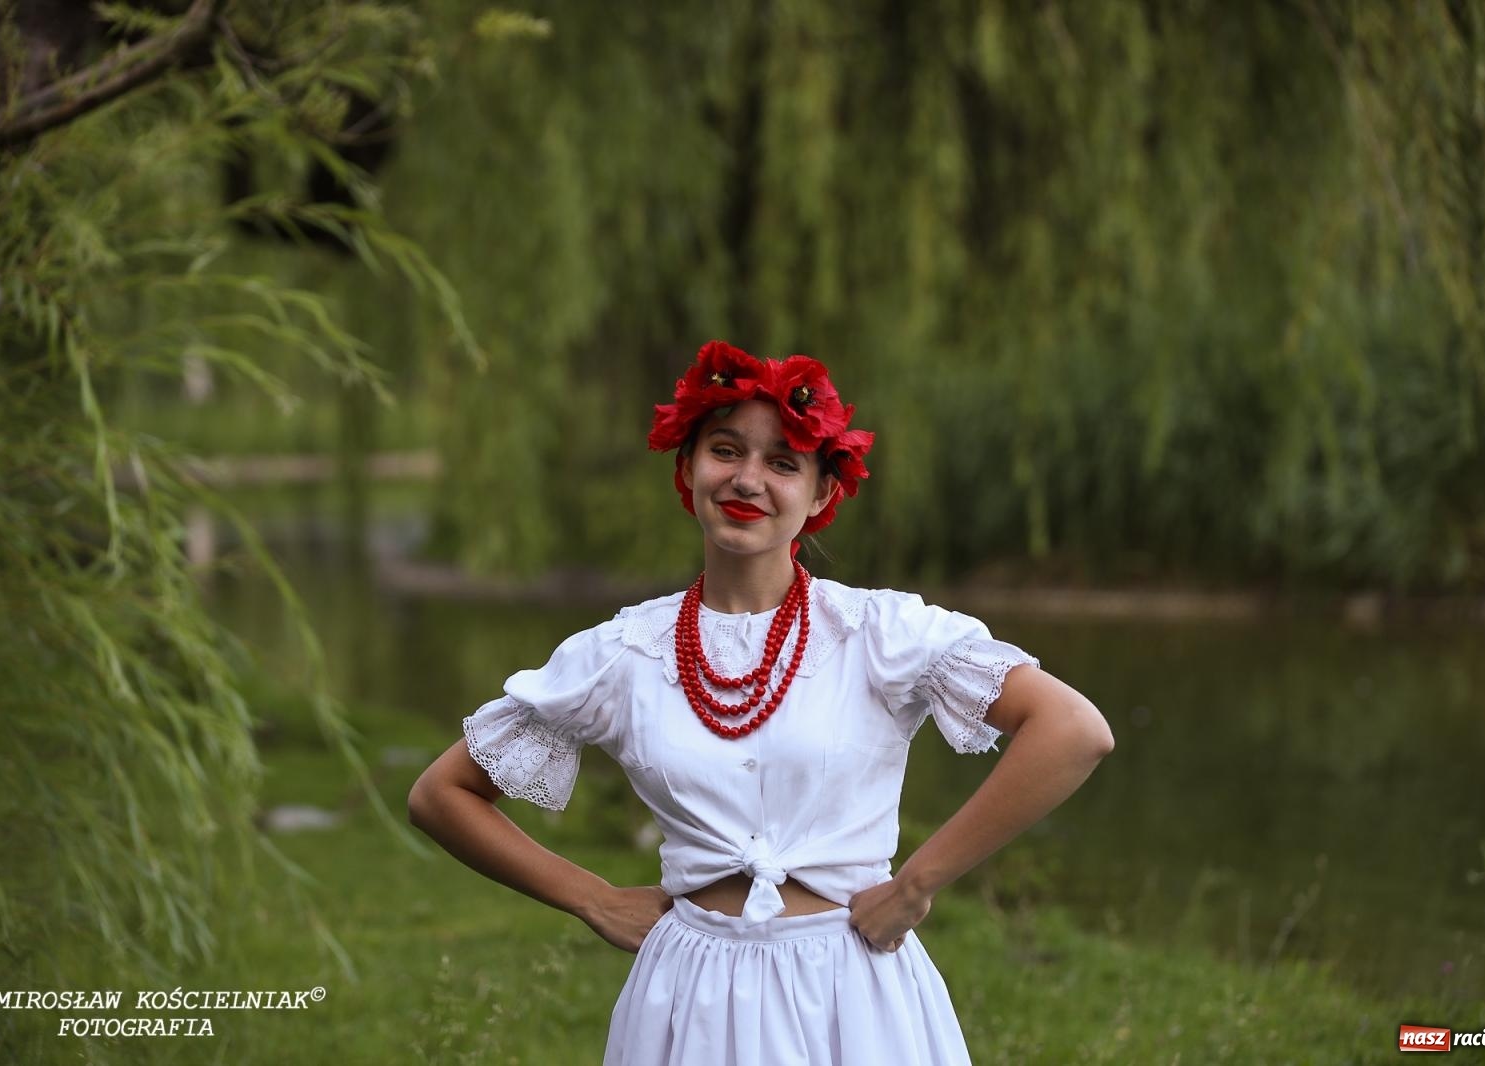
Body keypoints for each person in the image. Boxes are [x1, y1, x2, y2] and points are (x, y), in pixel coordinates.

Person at [408, 340, 1114, 1064]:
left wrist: (916, 884)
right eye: (725, 450)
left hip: (853, 990)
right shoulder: (623, 653)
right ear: (687, 470)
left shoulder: (880, 633)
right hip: (690, 996)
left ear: (821, 495)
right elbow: (442, 794)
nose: (747, 480)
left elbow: (1071, 730)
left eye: (783, 463)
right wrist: (591, 897)